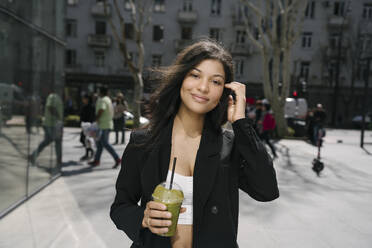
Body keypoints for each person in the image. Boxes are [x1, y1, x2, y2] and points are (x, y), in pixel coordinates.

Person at [110, 39, 279, 248]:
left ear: (224, 93)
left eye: (216, 81)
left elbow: (267, 190)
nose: (203, 87)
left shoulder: (229, 145)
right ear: (181, 78)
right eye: (195, 75)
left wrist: (241, 123)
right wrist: (142, 218)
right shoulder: (143, 142)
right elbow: (120, 207)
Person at [88, 86, 121, 168]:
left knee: (104, 143)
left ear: (101, 92)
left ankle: (117, 159)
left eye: (99, 91)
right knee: (99, 144)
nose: (98, 93)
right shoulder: (108, 99)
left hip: (104, 125)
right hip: (106, 124)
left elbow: (101, 110)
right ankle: (96, 160)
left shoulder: (102, 100)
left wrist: (96, 119)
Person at [29, 90, 63, 166]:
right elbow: (50, 107)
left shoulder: (57, 97)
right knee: (57, 141)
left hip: (53, 124)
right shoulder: (52, 96)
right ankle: (59, 160)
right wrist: (58, 117)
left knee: (48, 141)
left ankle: (33, 155)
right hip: (51, 124)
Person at [79, 94, 95, 160]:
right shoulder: (85, 106)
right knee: (84, 140)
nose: (83, 100)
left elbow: (91, 117)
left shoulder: (91, 106)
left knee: (85, 139)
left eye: (84, 98)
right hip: (85, 125)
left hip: (88, 125)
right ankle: (89, 152)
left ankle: (90, 152)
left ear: (87, 99)